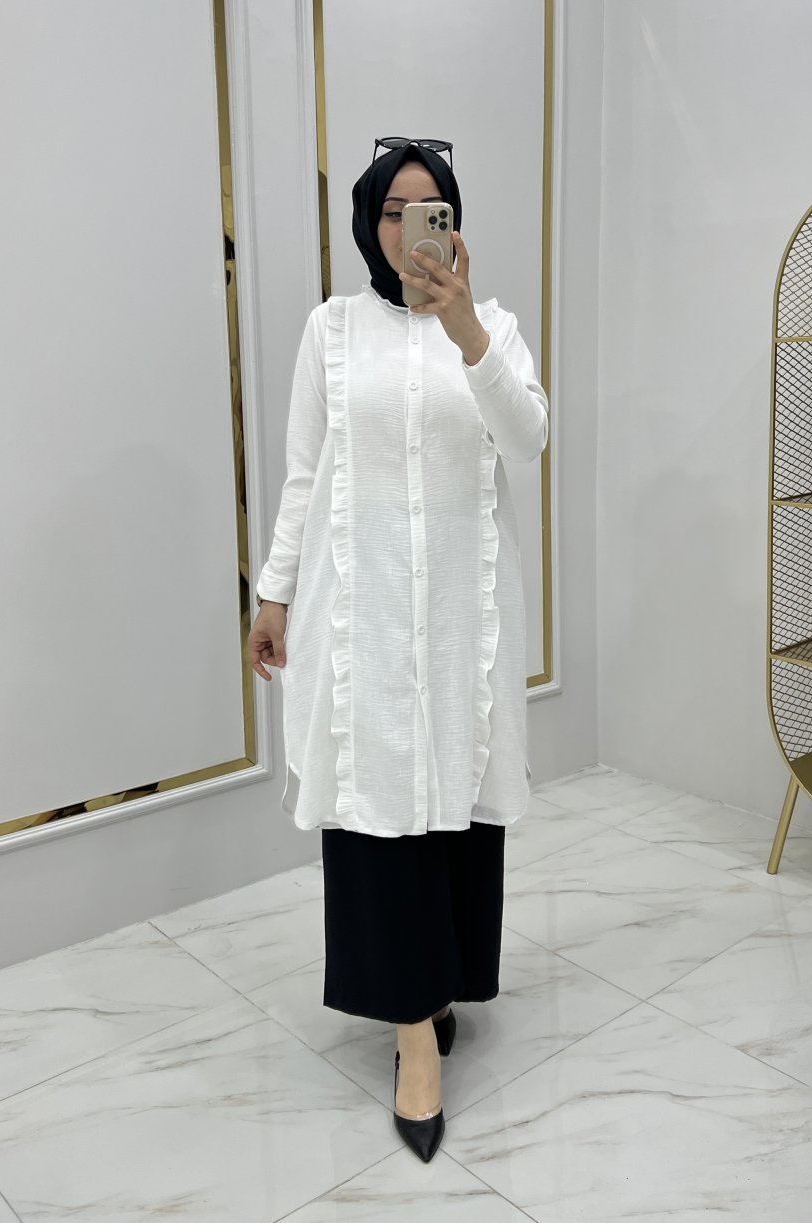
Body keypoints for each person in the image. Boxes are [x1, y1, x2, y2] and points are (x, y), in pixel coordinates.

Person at [246, 137, 548, 1163]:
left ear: (454, 224)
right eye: (392, 209)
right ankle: (414, 1036)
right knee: (380, 804)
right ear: (369, 222)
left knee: (454, 796)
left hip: (462, 615)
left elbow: (529, 438)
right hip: (363, 613)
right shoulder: (331, 329)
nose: (411, 228)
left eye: (431, 209)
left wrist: (465, 330)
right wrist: (273, 590)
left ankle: (439, 983)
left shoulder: (493, 326)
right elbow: (304, 472)